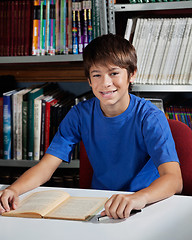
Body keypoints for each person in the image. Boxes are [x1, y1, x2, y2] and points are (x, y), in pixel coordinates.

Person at [0, 34, 182, 219]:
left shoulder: (150, 117)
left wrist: (138, 198)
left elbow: (174, 179)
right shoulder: (80, 114)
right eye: (97, 75)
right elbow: (47, 166)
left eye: (114, 73)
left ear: (132, 74)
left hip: (145, 204)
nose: (105, 83)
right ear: (89, 80)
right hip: (99, 205)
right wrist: (14, 189)